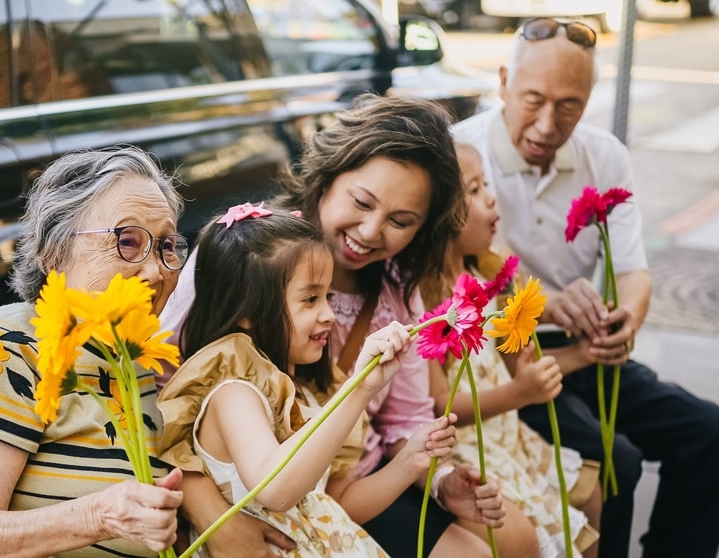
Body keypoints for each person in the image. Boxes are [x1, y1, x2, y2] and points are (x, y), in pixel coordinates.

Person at [161, 94, 509, 557]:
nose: (369, 231)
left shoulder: (395, 291)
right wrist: (209, 516)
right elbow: (163, 397)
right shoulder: (246, 259)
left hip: (340, 493)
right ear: (327, 178)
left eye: (400, 221)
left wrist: (440, 480)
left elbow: (402, 420)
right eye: (361, 202)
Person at [451, 18, 719, 558]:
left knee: (714, 436)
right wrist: (546, 304)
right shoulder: (460, 156)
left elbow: (632, 269)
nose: (546, 123)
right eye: (533, 99)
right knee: (616, 462)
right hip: (511, 361)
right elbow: (456, 290)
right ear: (502, 83)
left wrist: (625, 322)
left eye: (569, 106)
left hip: (587, 351)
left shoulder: (604, 155)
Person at [0, 147, 189, 557]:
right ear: (55, 252)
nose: (155, 270)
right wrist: (97, 517)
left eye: (167, 246)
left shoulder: (133, 359)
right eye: (127, 241)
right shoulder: (7, 348)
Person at [160, 205, 458, 556]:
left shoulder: (306, 393)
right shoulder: (234, 393)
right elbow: (276, 490)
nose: (329, 314)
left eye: (328, 296)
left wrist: (409, 461)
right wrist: (360, 390)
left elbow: (330, 506)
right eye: (310, 299)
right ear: (248, 312)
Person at [422, 142, 602, 558]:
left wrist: (582, 354)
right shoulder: (428, 301)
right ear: (442, 215)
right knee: (542, 537)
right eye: (473, 189)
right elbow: (437, 404)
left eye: (486, 184)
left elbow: (509, 362)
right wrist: (520, 394)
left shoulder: (483, 277)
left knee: (590, 497)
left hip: (508, 434)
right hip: (474, 448)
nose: (491, 197)